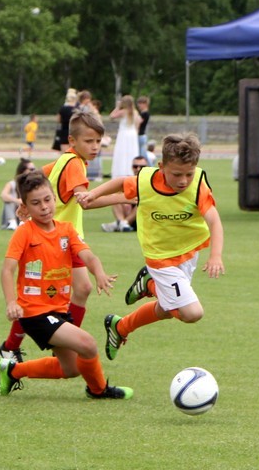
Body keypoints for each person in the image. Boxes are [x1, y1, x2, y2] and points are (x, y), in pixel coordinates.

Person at [76, 133, 225, 361]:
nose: (184, 180)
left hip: (188, 255)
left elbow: (214, 220)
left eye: (189, 173)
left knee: (166, 310)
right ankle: (150, 284)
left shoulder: (197, 187)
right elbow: (120, 183)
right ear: (161, 167)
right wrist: (93, 194)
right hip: (160, 258)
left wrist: (216, 255)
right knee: (191, 313)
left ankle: (121, 327)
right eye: (177, 174)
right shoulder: (146, 182)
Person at [0, 170, 130, 400]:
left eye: (47, 200)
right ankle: (98, 390)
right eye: (36, 203)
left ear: (54, 199)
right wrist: (11, 302)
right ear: (25, 207)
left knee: (71, 368)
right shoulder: (24, 232)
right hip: (34, 313)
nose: (44, 207)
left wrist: (99, 272)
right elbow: (7, 270)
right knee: (88, 344)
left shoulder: (66, 230)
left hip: (58, 310)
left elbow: (88, 256)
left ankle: (13, 371)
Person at [0, 109, 105, 364]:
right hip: (57, 237)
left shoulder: (65, 159)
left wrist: (25, 201)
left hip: (63, 236)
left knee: (78, 289)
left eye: (98, 141)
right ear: (73, 141)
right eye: (89, 141)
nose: (95, 146)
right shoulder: (75, 163)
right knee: (46, 297)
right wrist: (127, 196)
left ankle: (20, 346)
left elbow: (31, 177)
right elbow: (85, 199)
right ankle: (55, 343)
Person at [102, 155, 146, 232]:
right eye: (135, 166)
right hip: (129, 213)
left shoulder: (150, 181)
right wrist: (125, 201)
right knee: (115, 197)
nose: (138, 169)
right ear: (132, 167)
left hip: (144, 218)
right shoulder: (128, 181)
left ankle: (121, 224)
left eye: (142, 167)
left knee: (142, 202)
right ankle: (122, 223)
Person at [109, 95, 141, 179]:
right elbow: (138, 124)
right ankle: (130, 171)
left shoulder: (123, 112)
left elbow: (111, 116)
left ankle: (121, 171)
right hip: (132, 134)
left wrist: (117, 107)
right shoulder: (135, 112)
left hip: (124, 134)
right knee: (131, 152)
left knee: (122, 152)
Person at [0, 158, 38, 230]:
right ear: (23, 170)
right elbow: (3, 195)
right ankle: (12, 223)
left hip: (29, 211)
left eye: (34, 169)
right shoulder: (12, 184)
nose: (33, 172)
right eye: (31, 169)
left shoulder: (36, 185)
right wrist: (17, 201)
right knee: (9, 200)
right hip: (15, 212)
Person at [53, 88, 78, 152]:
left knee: (65, 152)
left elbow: (58, 119)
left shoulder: (63, 108)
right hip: (74, 131)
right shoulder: (77, 109)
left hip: (64, 131)